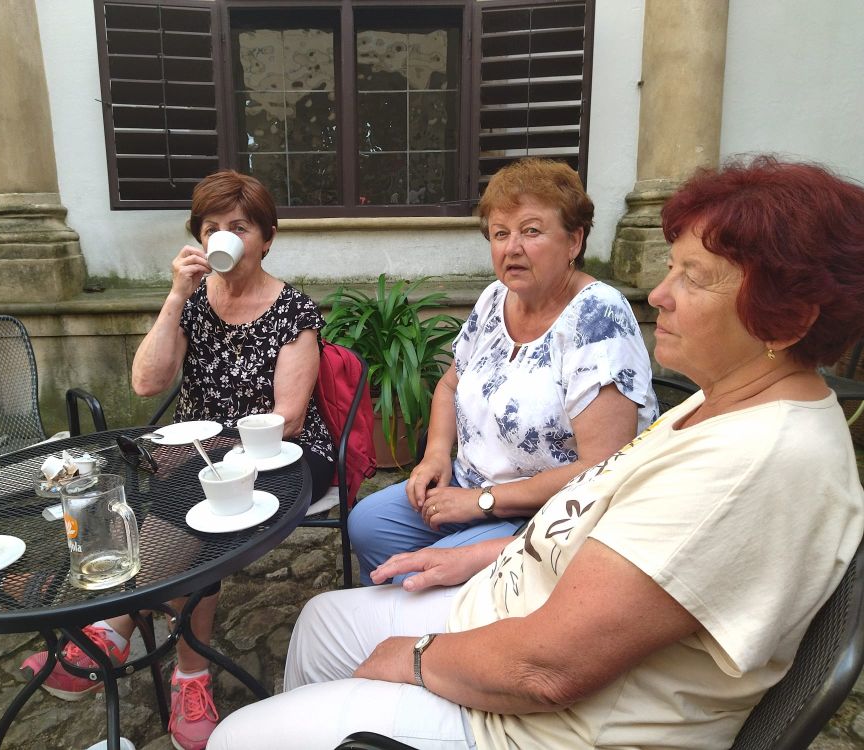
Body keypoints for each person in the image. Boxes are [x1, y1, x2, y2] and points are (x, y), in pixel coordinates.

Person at [207, 156, 864, 750]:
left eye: (693, 278)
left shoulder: (752, 463)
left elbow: (547, 671)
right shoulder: (720, 401)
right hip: (518, 594)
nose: (660, 294)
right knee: (321, 619)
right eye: (671, 267)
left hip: (536, 724)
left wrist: (414, 658)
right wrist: (476, 553)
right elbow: (596, 515)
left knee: (237, 737)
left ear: (788, 318)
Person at [22, 170, 334, 750]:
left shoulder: (294, 310)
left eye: (238, 227)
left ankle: (119, 631)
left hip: (286, 458)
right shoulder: (192, 304)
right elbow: (145, 383)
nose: (223, 237)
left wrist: (206, 452)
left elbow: (288, 417)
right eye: (211, 228)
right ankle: (184, 671)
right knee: (176, 500)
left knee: (197, 506)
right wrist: (174, 297)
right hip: (193, 457)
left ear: (266, 238)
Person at [349, 158, 658, 585]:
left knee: (424, 574)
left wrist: (483, 501)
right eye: (500, 233)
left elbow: (600, 466)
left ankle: (437, 621)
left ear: (574, 240)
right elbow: (450, 384)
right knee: (366, 524)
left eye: (531, 231)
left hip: (550, 511)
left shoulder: (598, 318)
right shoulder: (495, 298)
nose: (512, 247)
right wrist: (435, 455)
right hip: (469, 483)